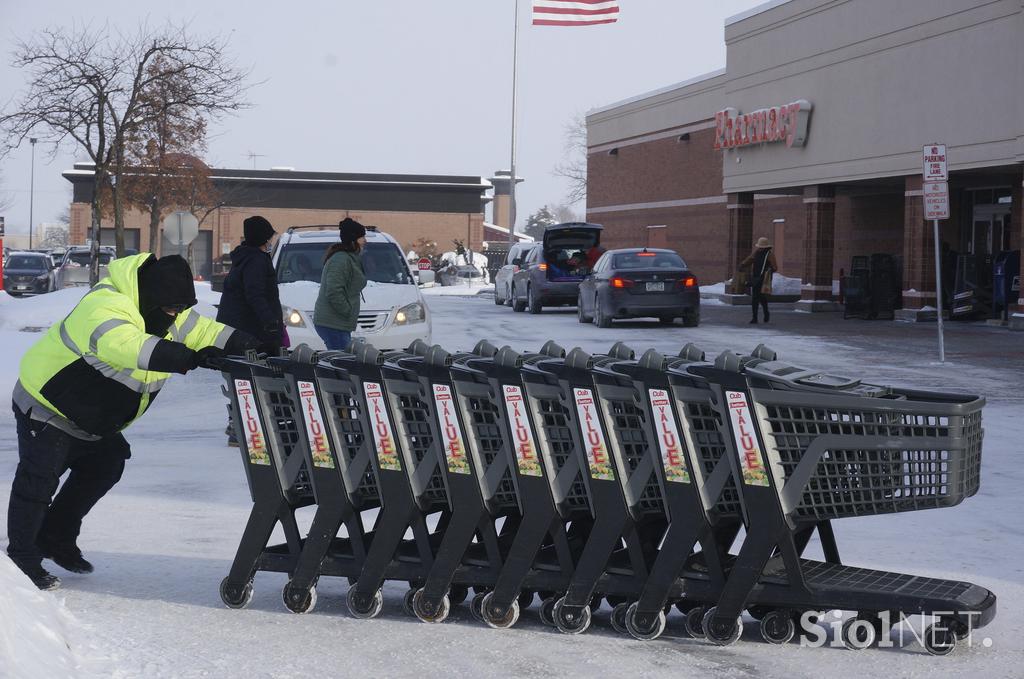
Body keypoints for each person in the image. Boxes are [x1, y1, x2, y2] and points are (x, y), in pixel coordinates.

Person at [7, 253, 259, 590]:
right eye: (171, 310)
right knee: (38, 481)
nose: (176, 318)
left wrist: (249, 344)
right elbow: (127, 345)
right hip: (50, 405)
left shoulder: (166, 311)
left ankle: (55, 536)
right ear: (153, 298)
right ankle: (22, 559)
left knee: (108, 464)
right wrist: (186, 358)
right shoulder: (105, 305)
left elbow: (203, 330)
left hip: (91, 415)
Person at [216, 216, 285, 354]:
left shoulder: (244, 258)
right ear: (262, 238)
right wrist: (270, 321)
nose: (271, 241)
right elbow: (255, 294)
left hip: (239, 326)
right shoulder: (256, 261)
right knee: (261, 367)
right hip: (252, 328)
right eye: (269, 237)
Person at [314, 218, 367, 351]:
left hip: (339, 323)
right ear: (353, 239)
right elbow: (333, 291)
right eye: (362, 237)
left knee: (341, 362)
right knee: (341, 364)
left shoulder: (350, 258)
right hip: (333, 323)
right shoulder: (340, 259)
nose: (365, 241)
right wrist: (347, 311)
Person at [740, 236, 779, 324]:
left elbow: (775, 267)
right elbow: (750, 259)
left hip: (764, 279)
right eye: (759, 247)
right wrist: (742, 264)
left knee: (759, 296)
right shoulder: (756, 253)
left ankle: (764, 314)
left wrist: (770, 270)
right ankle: (756, 317)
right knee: (757, 297)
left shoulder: (769, 254)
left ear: (765, 247)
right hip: (755, 277)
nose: (760, 249)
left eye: (761, 247)